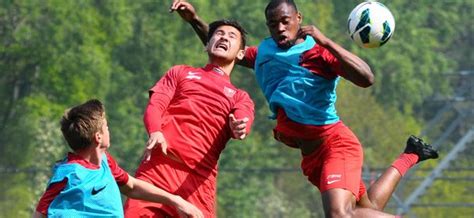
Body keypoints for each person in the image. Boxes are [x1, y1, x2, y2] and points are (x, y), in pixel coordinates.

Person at [170, 0, 439, 217]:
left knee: (340, 215)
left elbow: (366, 78)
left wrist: (326, 41)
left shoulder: (318, 53)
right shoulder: (263, 52)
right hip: (312, 157)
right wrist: (194, 19)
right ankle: (411, 154)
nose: (280, 28)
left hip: (335, 144)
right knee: (365, 211)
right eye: (273, 24)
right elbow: (225, 47)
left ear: (299, 18)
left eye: (286, 21)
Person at [123, 19, 255, 218]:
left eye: (231, 36)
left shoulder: (239, 96)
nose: (224, 37)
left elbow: (243, 119)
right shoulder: (180, 73)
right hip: (158, 170)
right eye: (218, 34)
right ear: (206, 45)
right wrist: (155, 131)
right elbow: (155, 105)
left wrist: (240, 126)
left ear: (241, 54)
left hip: (197, 185)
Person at [33, 99, 203, 218]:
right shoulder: (69, 173)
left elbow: (132, 186)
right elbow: (41, 212)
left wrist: (176, 201)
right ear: (98, 137)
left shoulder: (105, 163)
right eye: (106, 126)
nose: (109, 129)